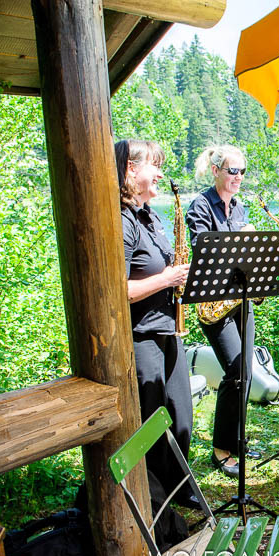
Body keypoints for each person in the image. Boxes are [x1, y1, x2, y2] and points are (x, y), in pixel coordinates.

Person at [116, 139, 201, 509]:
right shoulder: (121, 220)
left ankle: (178, 487)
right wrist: (168, 279)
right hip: (141, 337)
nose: (161, 173)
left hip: (167, 330)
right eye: (155, 165)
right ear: (131, 170)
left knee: (181, 413)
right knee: (151, 421)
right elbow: (116, 289)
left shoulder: (150, 215)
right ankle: (153, 498)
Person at [185, 144, 255, 478]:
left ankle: (237, 441)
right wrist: (243, 243)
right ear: (216, 171)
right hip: (214, 304)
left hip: (239, 300)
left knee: (247, 371)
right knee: (235, 370)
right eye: (232, 171)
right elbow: (205, 249)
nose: (238, 177)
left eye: (242, 171)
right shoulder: (201, 205)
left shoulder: (239, 207)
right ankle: (221, 448)